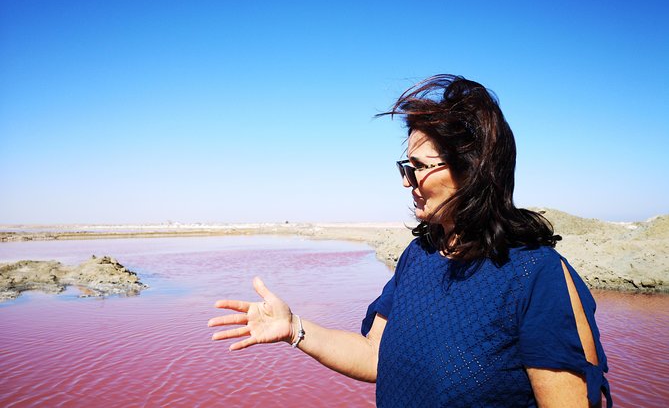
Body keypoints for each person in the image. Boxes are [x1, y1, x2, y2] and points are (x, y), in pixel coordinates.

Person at [208, 75, 612, 407]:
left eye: (418, 167)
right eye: (405, 167)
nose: (407, 182)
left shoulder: (534, 275)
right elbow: (375, 356)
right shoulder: (419, 256)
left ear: (474, 170)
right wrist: (293, 328)